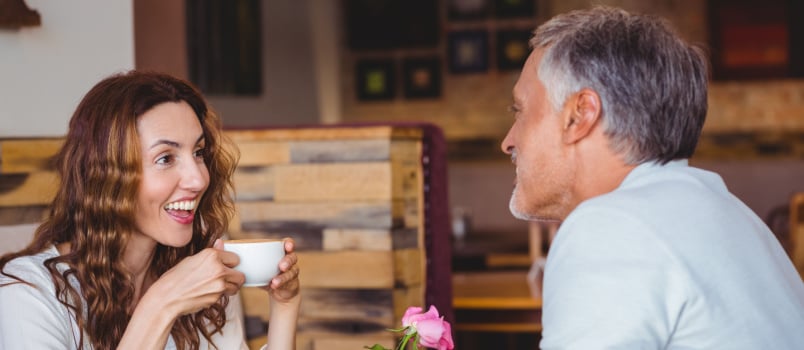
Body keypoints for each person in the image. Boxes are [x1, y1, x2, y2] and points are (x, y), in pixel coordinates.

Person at [501, 6, 804, 349]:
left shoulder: (610, 226)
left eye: (520, 111)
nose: (508, 141)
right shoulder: (732, 214)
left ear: (580, 115)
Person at [0, 71, 300, 349]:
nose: (198, 179)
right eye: (165, 158)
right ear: (107, 177)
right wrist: (163, 303)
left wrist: (285, 306)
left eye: (198, 152)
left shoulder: (200, 268)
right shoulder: (28, 295)